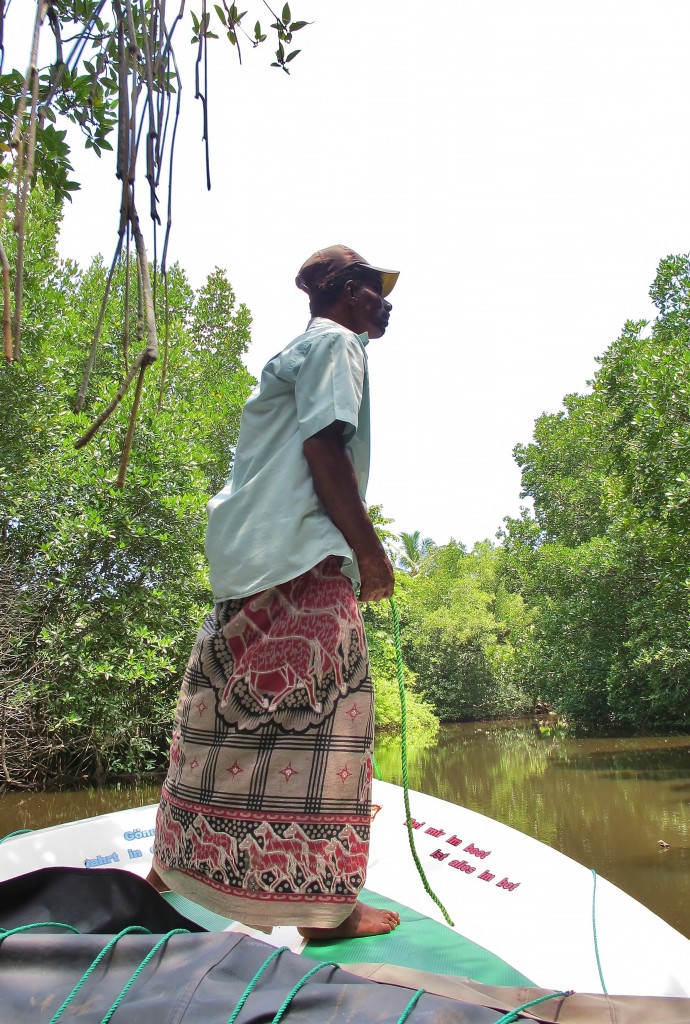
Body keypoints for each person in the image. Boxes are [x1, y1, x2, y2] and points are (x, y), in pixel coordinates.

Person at [148, 245, 400, 939]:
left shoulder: (296, 352)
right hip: (301, 559)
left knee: (215, 716)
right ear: (349, 294)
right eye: (378, 294)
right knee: (331, 728)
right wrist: (370, 556)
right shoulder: (338, 345)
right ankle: (328, 913)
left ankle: (165, 875)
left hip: (247, 561)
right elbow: (326, 451)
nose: (386, 308)